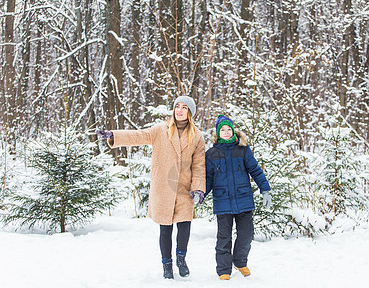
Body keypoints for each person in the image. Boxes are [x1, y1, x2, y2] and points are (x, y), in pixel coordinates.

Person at [96, 96, 206, 280]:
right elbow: (139, 135)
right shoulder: (161, 130)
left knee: (185, 224)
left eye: (184, 108)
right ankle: (167, 265)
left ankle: (181, 258)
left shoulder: (197, 136)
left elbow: (199, 165)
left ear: (190, 113)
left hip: (184, 188)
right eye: (177, 106)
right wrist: (115, 136)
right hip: (164, 186)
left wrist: (198, 188)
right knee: (165, 228)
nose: (179, 110)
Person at [205, 114, 272, 280]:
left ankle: (240, 262)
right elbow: (208, 178)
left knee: (246, 233)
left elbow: (255, 170)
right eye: (223, 130)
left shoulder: (243, 149)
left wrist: (265, 189)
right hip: (222, 201)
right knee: (224, 237)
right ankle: (224, 270)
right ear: (217, 133)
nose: (226, 132)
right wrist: (200, 194)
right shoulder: (211, 154)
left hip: (243, 199)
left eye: (229, 129)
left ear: (234, 131)